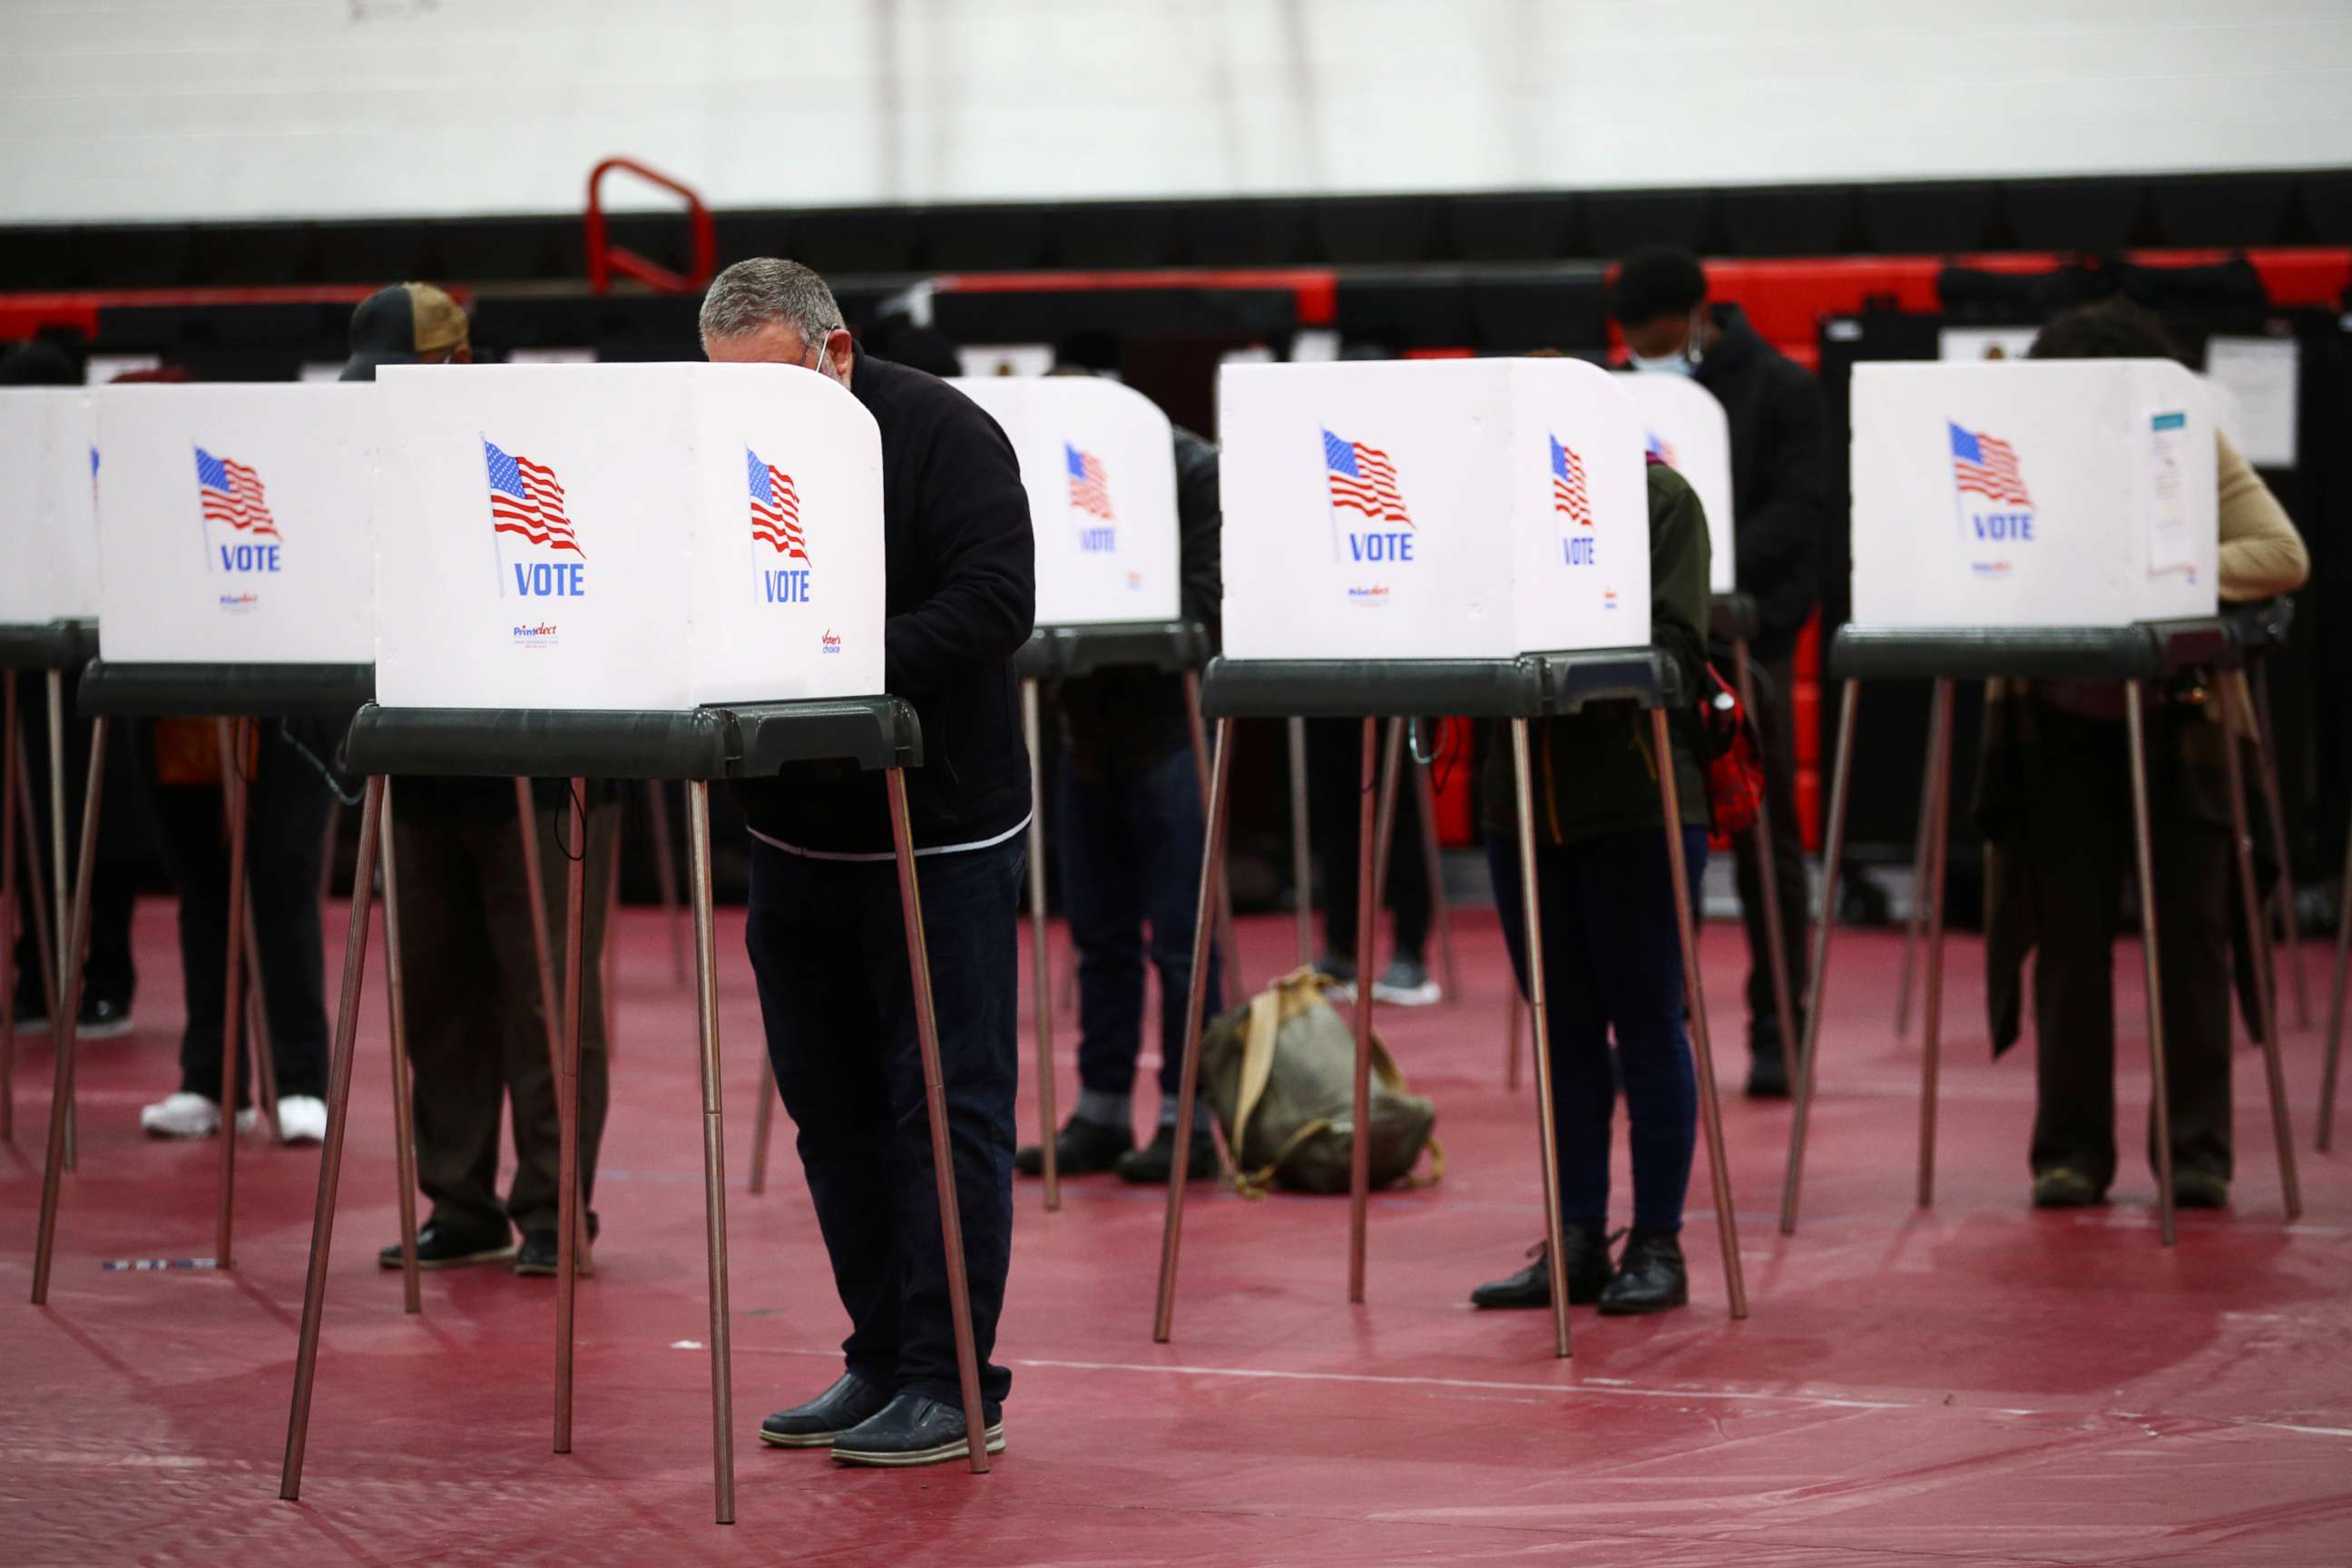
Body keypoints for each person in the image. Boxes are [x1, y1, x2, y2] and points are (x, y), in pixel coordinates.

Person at [702, 259, 1034, 1467]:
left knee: (943, 1111)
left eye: (772, 387)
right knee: (831, 1113)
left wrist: (833, 661)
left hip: (940, 824)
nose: (751, 418)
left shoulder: (945, 431)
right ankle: (881, 1355)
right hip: (793, 830)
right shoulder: (717, 450)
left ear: (834, 353)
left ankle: (954, 1379)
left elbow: (997, 605)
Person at [1979, 298, 2308, 1212]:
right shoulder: (2016, 453)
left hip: (2182, 722)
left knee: (2194, 937)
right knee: (2070, 944)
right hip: (2052, 724)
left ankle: (2196, 1151)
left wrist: (2158, 561)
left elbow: (2281, 553)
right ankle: (2071, 1154)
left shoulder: (2187, 440)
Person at [339, 284, 622, 1277]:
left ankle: (551, 1208)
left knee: (547, 1003)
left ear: (457, 364)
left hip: (545, 769)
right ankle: (460, 1202)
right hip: (425, 763)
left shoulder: (539, 445)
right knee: (439, 1000)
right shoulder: (376, 467)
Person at [1472, 445, 1713, 1317]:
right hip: (1519, 804)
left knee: (1648, 1021)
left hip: (1637, 797)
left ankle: (1659, 1242)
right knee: (1562, 1028)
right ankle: (1575, 1239)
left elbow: (1681, 651)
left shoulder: (1658, 497)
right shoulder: (1487, 496)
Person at [1612, 244, 1828, 1097]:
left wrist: (1717, 577)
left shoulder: (1782, 390)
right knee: (1660, 844)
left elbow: (1805, 516)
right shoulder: (1619, 390)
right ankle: (1665, 1029)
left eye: (1653, 334)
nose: (1639, 349)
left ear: (1700, 315)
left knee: (1766, 847)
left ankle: (1780, 1030)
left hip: (1749, 645)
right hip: (1651, 643)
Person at [1014, 403, 1223, 1185]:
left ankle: (1190, 1118)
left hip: (1172, 735)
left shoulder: (1190, 468)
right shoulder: (1053, 472)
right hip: (1087, 737)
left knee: (1181, 945)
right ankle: (1101, 1110)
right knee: (1098, 939)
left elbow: (1210, 613)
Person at [5, 340, 140, 1044]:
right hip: (40, 658)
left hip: (94, 655)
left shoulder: (97, 454)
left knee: (94, 824)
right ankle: (47, 973)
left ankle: (98, 974)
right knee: (39, 824)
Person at [133, 717, 334, 1142]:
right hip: (180, 703)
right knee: (199, 887)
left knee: (284, 879)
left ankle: (299, 1079)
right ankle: (211, 1078)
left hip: (285, 705)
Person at [1308, 715, 1441, 1004]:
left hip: (1403, 686)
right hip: (1333, 688)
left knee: (1402, 807)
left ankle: (1409, 952)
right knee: (1335, 810)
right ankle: (1340, 948)